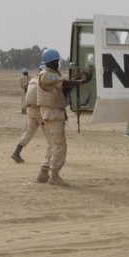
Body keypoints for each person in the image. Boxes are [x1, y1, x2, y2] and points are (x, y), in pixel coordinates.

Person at [36, 49, 92, 186]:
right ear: (50, 62)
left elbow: (63, 87)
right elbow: (65, 83)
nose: (58, 63)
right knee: (59, 146)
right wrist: (81, 82)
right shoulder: (47, 75)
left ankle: (44, 172)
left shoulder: (51, 74)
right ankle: (54, 175)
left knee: (52, 144)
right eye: (56, 61)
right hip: (53, 114)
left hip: (51, 113)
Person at [11, 63, 46, 163]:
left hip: (30, 111)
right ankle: (52, 157)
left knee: (28, 132)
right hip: (39, 111)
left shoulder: (32, 81)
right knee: (49, 134)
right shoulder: (42, 81)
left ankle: (17, 152)